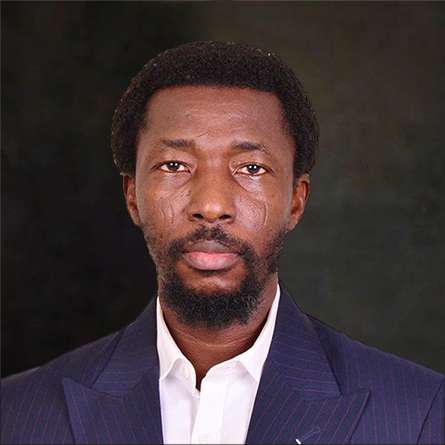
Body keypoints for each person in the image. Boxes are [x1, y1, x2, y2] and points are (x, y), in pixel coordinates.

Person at [1, 41, 443, 445]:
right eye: (175, 165)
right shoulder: (17, 414)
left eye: (251, 168)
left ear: (296, 200)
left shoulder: (420, 414)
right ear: (132, 196)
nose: (211, 206)